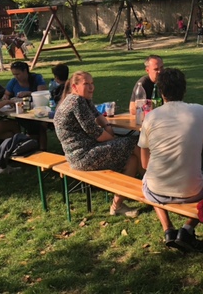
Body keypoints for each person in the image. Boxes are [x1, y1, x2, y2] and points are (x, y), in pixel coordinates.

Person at [139, 68, 203, 251]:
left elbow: (144, 164)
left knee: (149, 178)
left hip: (156, 190)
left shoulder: (151, 116)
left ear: (161, 92)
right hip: (192, 191)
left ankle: (168, 229)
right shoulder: (198, 111)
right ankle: (187, 228)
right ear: (184, 90)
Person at [54, 71, 140, 218]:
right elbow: (99, 135)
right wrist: (111, 135)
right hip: (82, 157)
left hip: (85, 152)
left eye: (92, 83)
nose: (91, 87)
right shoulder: (76, 102)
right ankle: (153, 188)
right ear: (74, 87)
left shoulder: (82, 99)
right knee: (136, 143)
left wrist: (107, 125)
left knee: (132, 159)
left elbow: (99, 116)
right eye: (86, 84)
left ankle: (117, 206)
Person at [4, 61, 48, 149]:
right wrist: (6, 98)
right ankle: (32, 145)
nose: (16, 77)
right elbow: (6, 94)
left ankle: (41, 148)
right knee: (33, 126)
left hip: (38, 109)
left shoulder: (36, 78)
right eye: (14, 74)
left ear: (25, 71)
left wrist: (29, 93)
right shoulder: (13, 82)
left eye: (18, 74)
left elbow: (42, 93)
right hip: (22, 112)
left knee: (42, 125)